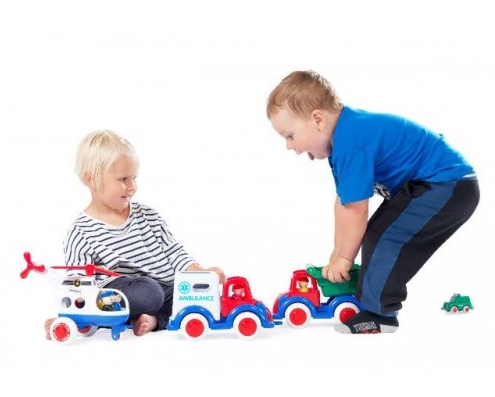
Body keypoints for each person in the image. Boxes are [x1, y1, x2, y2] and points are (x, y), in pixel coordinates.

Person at [266, 70, 479, 334]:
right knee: (378, 234)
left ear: (318, 120)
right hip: (433, 184)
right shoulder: (342, 141)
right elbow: (344, 203)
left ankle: (380, 314)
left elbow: (356, 210)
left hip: (448, 185)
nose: (289, 146)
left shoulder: (351, 142)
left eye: (290, 136)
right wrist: (337, 252)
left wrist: (344, 258)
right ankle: (372, 302)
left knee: (385, 238)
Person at [44, 130, 225, 339]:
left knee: (193, 295)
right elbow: (77, 284)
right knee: (149, 292)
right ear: (91, 179)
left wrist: (202, 273)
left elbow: (174, 253)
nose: (132, 187)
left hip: (166, 290)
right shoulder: (81, 233)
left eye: (134, 178)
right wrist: (71, 317)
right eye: (123, 179)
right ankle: (106, 318)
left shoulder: (148, 216)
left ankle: (155, 320)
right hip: (125, 294)